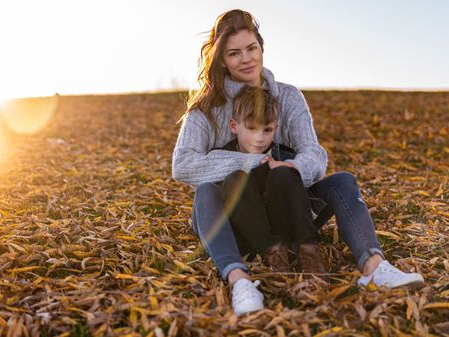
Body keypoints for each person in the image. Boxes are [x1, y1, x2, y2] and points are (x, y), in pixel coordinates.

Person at [172, 9, 424, 316]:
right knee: (205, 193)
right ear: (221, 60)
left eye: (252, 48)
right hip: (237, 219)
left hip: (287, 208)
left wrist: (292, 169)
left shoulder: (288, 98)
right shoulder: (205, 110)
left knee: (343, 180)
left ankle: (374, 267)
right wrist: (253, 162)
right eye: (234, 53)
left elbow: (314, 154)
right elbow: (183, 164)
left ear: (262, 48)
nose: (247, 59)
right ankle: (239, 280)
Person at [218, 84, 327, 275]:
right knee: (236, 180)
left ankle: (309, 254)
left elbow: (298, 194)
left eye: (267, 130)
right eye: (251, 128)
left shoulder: (283, 156)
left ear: (275, 128)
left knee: (283, 172)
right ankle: (275, 259)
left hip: (287, 230)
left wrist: (288, 167)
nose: (259, 138)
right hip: (252, 237)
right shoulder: (222, 156)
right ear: (234, 126)